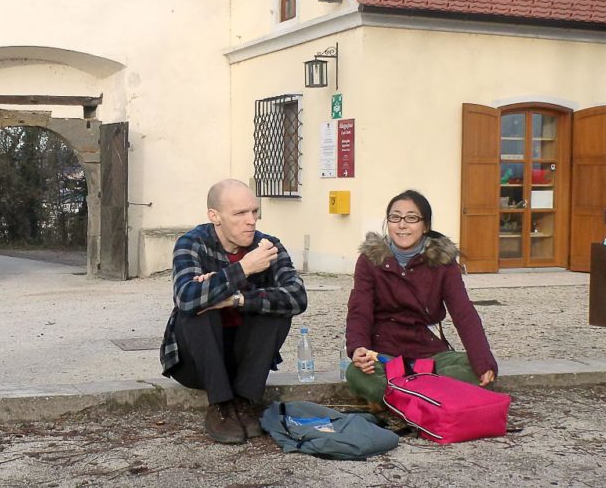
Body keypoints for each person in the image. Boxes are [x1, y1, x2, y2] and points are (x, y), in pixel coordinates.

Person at [159, 179, 307, 444]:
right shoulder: (191, 242)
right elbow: (186, 298)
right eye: (240, 213)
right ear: (214, 216)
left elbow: (297, 297)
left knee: (276, 310)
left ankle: (244, 401)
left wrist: (235, 298)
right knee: (198, 308)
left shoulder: (268, 246)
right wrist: (244, 269)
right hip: (197, 363)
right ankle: (221, 406)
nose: (251, 220)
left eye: (254, 212)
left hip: (244, 360)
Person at [345, 189, 498, 406]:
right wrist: (358, 347)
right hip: (384, 354)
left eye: (412, 218)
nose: (402, 225)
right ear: (388, 223)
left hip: (429, 353)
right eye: (395, 217)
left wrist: (484, 361)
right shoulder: (370, 260)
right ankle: (428, 399)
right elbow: (359, 309)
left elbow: (463, 312)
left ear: (425, 225)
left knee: (475, 371)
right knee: (357, 375)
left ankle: (400, 401)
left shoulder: (442, 262)